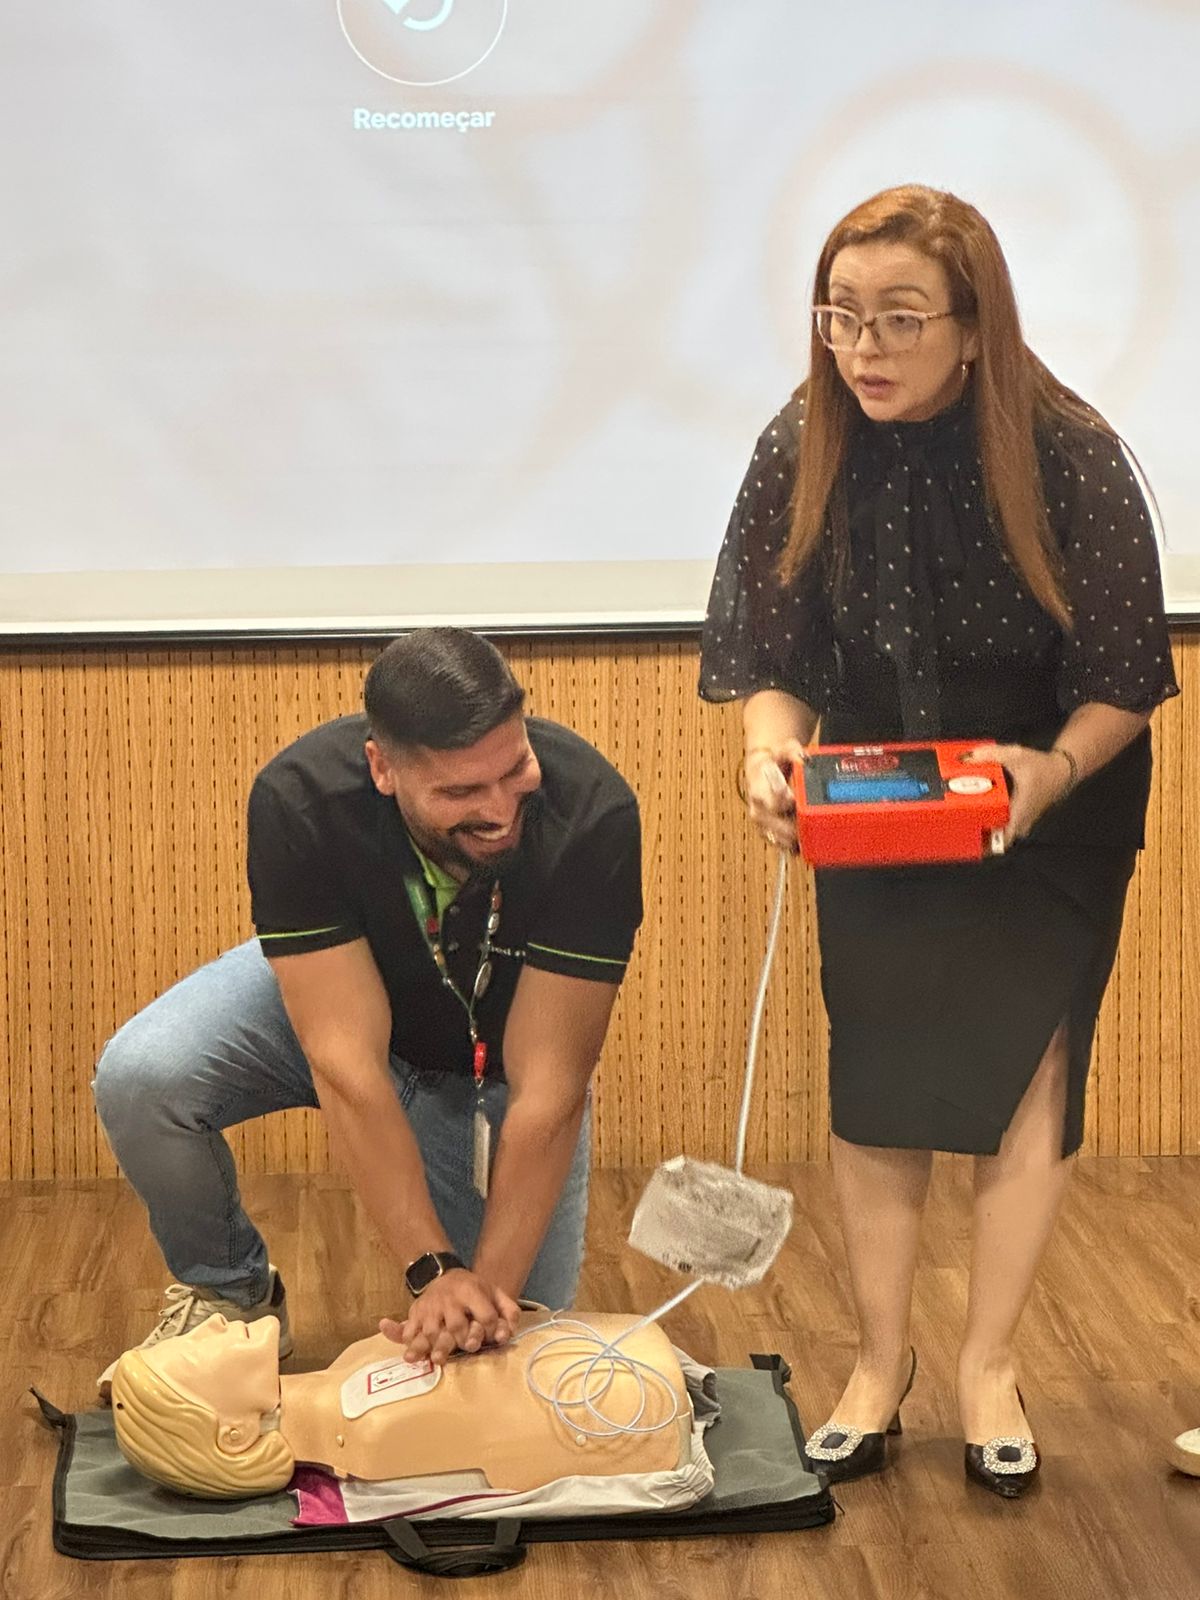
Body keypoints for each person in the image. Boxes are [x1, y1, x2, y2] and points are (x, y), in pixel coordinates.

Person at [700, 185, 1178, 1497]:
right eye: (843, 315)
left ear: (975, 327)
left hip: (1050, 801)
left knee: (1026, 1075)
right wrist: (767, 756)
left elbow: (1127, 675)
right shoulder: (803, 440)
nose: (867, 346)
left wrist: (1050, 771)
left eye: (901, 318)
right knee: (881, 1080)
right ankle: (878, 1365)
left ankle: (989, 1366)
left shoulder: (1068, 448)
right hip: (878, 798)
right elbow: (773, 657)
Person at [94, 628, 642, 1389]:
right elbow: (345, 1060)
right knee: (143, 1076)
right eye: (459, 793)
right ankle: (232, 1294)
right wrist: (432, 1269)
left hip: (485, 1067)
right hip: (342, 998)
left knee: (520, 1338)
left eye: (514, 769)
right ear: (382, 769)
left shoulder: (592, 815)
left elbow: (550, 1087)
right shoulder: (301, 800)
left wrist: (484, 1295)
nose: (500, 812)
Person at [109, 1308, 709, 1511]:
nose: (211, 1323)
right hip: (637, 1398)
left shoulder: (353, 1367)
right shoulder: (373, 1438)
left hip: (623, 1368)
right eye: (193, 1354)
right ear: (236, 1435)